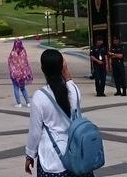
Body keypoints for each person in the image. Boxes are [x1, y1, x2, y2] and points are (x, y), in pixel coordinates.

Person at [25, 48, 83, 177]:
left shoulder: (40, 96)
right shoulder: (74, 90)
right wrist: (65, 70)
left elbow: (35, 132)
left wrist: (30, 155)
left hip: (52, 159)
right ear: (63, 66)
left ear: (42, 68)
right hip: (76, 156)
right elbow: (69, 81)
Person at [8, 39, 34, 108]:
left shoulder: (12, 53)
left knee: (16, 88)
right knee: (23, 88)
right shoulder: (23, 52)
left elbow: (10, 63)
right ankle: (28, 103)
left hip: (15, 74)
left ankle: (19, 103)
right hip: (23, 74)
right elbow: (26, 62)